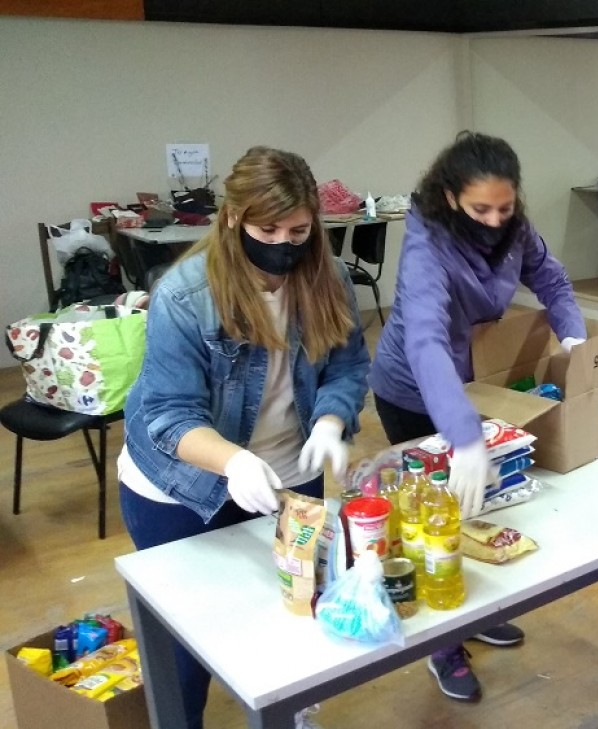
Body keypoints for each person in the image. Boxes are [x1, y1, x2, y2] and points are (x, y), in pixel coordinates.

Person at [117, 146, 371, 729]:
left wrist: (332, 419)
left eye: (299, 229)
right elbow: (168, 415)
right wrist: (232, 461)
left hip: (289, 470)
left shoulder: (327, 277)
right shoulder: (185, 295)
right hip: (184, 489)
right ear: (233, 218)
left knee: (292, 615)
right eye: (268, 228)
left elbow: (349, 366)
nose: (284, 242)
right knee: (190, 643)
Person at [369, 131, 587, 702]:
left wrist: (573, 334)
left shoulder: (515, 229)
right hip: (416, 392)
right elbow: (426, 344)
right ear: (448, 199)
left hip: (476, 384)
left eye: (505, 208)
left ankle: (472, 611)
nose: (494, 221)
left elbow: (552, 278)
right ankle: (442, 647)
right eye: (480, 209)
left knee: (480, 510)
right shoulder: (426, 248)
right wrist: (463, 437)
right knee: (433, 521)